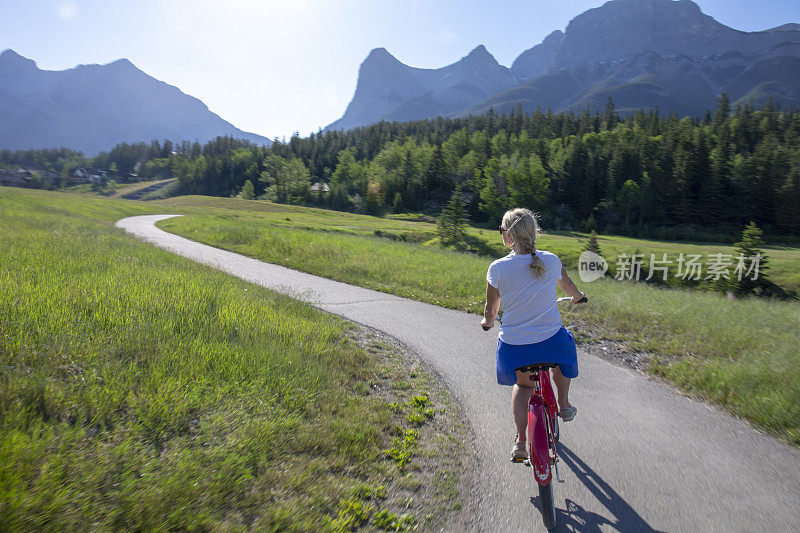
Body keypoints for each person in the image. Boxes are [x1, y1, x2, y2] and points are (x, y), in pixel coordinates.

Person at [480, 207, 586, 462]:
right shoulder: (550, 260)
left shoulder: (497, 268)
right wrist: (577, 297)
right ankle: (564, 403)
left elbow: (491, 308)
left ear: (508, 236)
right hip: (552, 343)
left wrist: (488, 322)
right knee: (562, 354)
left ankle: (520, 440)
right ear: (532, 232)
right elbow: (568, 284)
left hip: (517, 347)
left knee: (523, 385)